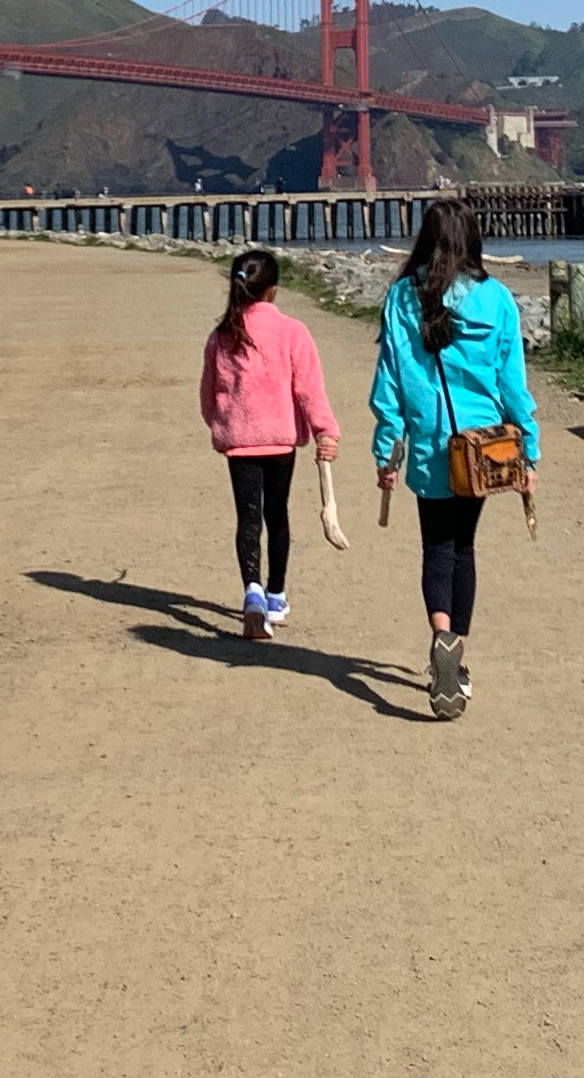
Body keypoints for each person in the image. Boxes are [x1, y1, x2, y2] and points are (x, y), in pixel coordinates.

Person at [368, 198, 539, 720]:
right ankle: (457, 654)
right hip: (483, 449)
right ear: (472, 240)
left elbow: (390, 382)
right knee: (465, 548)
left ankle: (439, 634)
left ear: (426, 239)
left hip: (428, 446)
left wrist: (385, 450)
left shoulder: (402, 297)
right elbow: (513, 386)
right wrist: (528, 450)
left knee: (436, 547)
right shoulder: (497, 300)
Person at [197, 245, 343, 641]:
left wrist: (220, 424)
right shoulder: (292, 331)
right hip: (279, 440)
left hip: (240, 441)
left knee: (247, 517)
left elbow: (209, 394)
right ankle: (276, 596)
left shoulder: (221, 335)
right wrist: (324, 431)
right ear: (273, 291)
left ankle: (252, 591)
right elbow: (309, 390)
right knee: (277, 516)